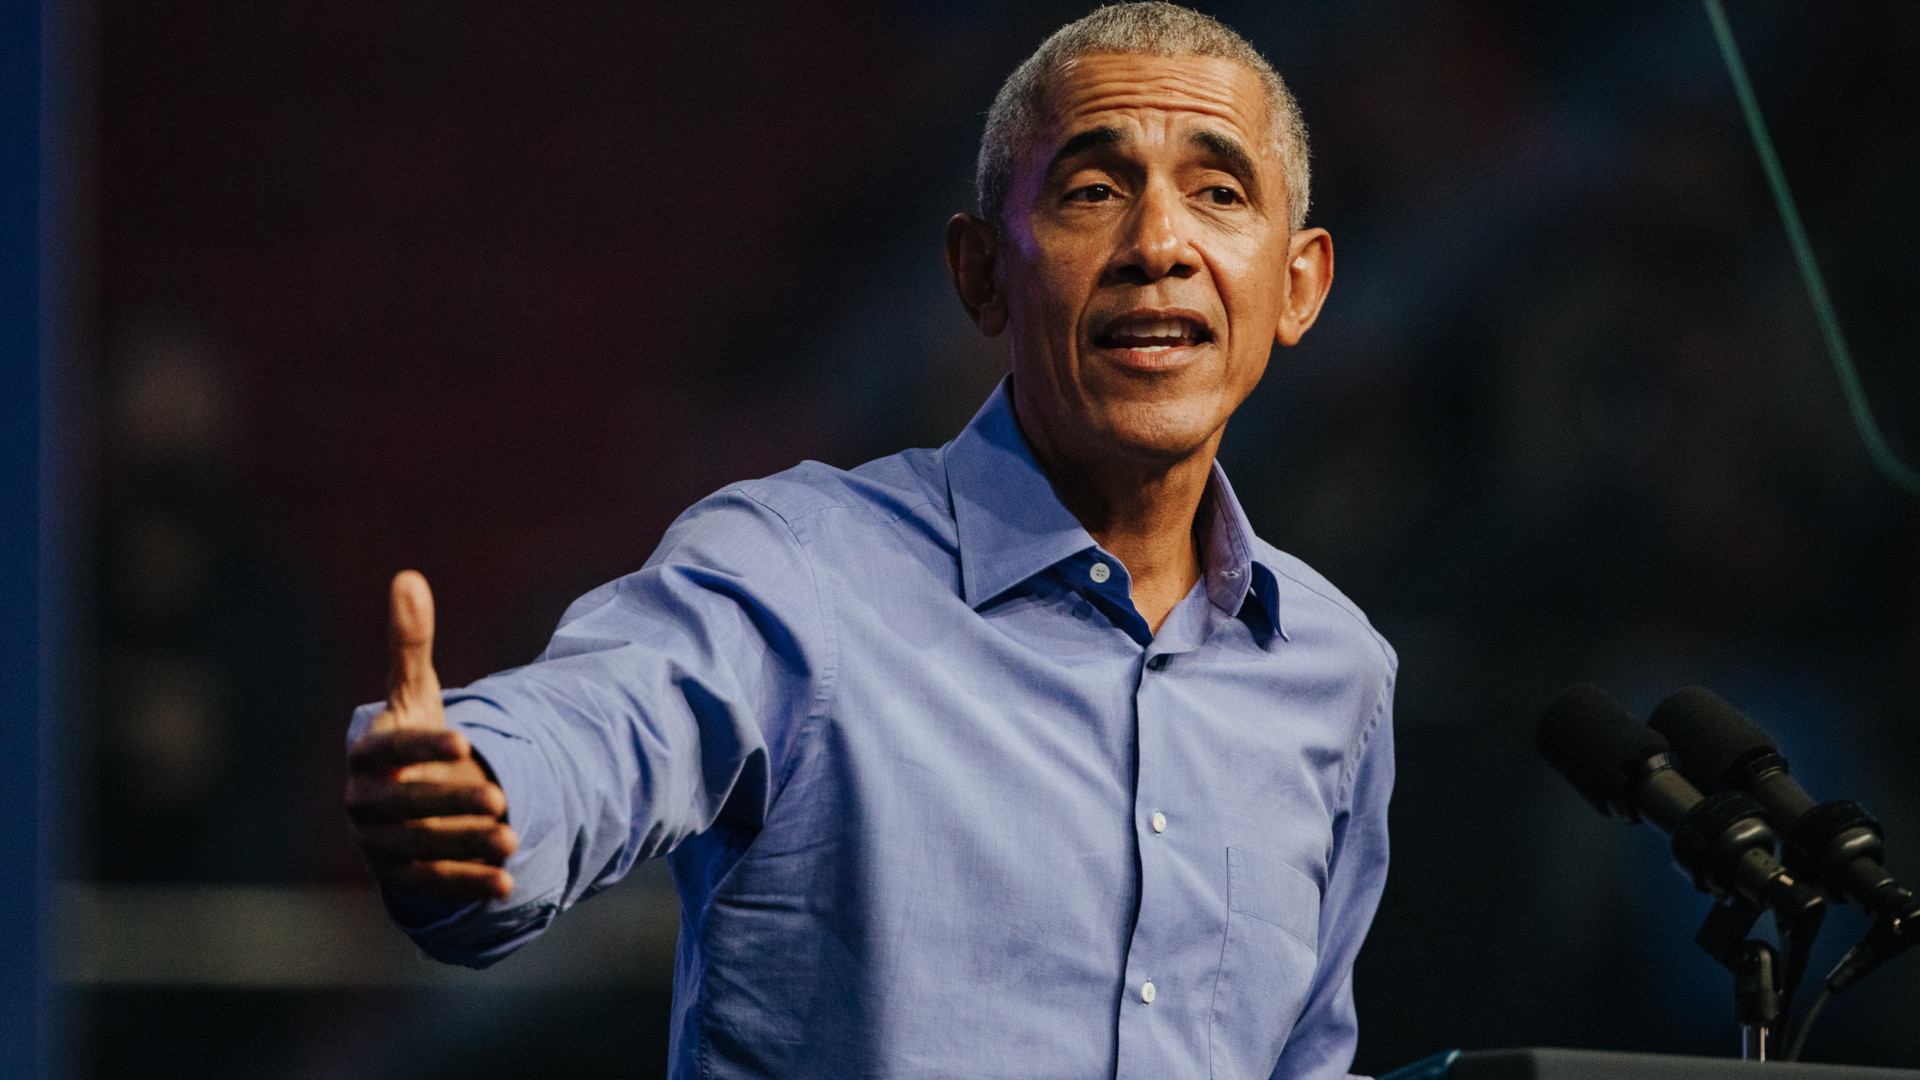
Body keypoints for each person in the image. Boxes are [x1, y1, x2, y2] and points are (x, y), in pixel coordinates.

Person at [345, 5, 1394, 1078]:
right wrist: (482, 788)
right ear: (981, 273)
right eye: (1092, 192)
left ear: (1298, 286)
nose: (1159, 245)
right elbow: (606, 720)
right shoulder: (799, 570)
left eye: (1219, 193)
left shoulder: (1336, 671)